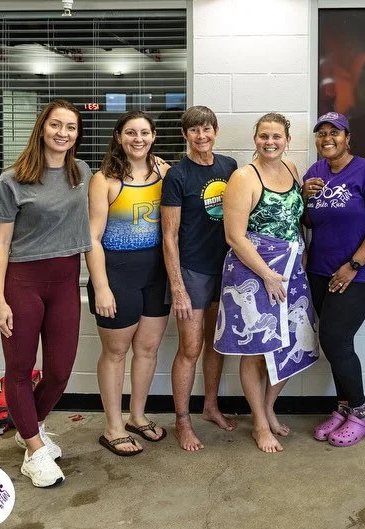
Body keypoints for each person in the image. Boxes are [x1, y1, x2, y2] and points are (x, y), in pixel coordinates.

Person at [0, 99, 91, 487]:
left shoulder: (81, 173)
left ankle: (29, 426)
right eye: (55, 125)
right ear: (42, 128)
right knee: (19, 369)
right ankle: (34, 450)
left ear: (77, 135)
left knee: (60, 371)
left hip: (65, 281)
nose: (63, 133)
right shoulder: (12, 180)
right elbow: (0, 244)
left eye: (71, 127)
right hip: (23, 282)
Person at [214, 112, 319, 453]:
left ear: (287, 140)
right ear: (255, 138)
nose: (270, 142)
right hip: (253, 271)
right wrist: (267, 275)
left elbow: (295, 218)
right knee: (258, 349)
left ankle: (269, 408)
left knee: (291, 342)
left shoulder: (291, 168)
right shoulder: (244, 177)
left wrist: (301, 251)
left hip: (290, 268)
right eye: (264, 136)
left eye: (276, 136)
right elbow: (234, 236)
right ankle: (259, 423)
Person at [302, 112, 365, 447]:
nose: (327, 138)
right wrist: (303, 197)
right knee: (334, 343)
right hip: (320, 270)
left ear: (347, 138)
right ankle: (343, 408)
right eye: (321, 133)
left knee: (335, 337)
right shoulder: (314, 172)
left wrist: (353, 265)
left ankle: (362, 412)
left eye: (335, 132)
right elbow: (308, 222)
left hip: (361, 272)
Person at [85, 111, 171, 456]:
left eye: (145, 133)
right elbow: (92, 238)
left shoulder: (163, 172)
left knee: (148, 349)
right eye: (131, 133)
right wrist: (101, 287)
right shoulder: (104, 179)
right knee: (116, 352)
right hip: (117, 276)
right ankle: (113, 426)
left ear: (153, 136)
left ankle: (137, 416)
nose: (138, 139)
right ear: (119, 137)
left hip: (156, 275)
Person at [161, 106, 238, 451]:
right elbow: (169, 236)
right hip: (192, 270)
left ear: (215, 131)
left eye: (206, 129)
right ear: (185, 134)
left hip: (226, 267)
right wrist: (177, 287)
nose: (201, 136)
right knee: (190, 348)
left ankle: (210, 407)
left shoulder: (229, 167)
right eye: (194, 130)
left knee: (216, 343)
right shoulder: (177, 175)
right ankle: (182, 421)